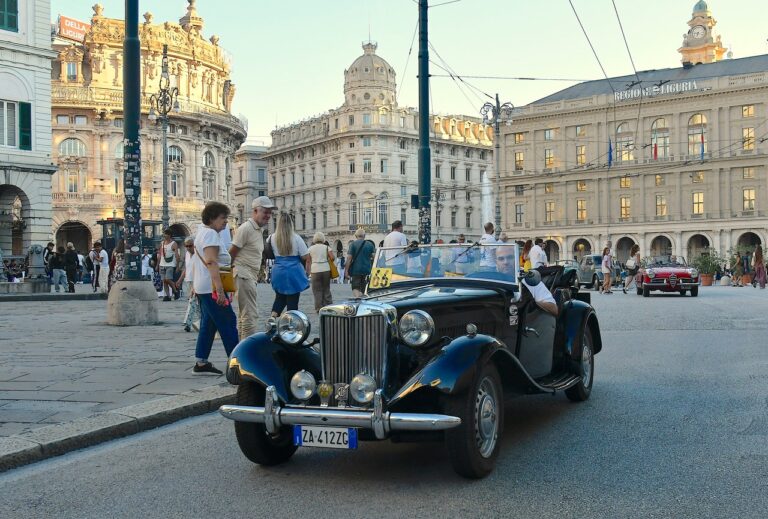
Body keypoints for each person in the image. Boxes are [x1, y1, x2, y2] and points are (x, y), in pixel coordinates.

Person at [192, 202, 239, 374]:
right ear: (211, 218)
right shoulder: (210, 234)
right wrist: (219, 291)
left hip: (203, 286)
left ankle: (201, 362)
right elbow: (211, 262)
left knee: (209, 324)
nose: (226, 221)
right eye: (222, 218)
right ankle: (237, 364)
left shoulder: (202, 233)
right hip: (211, 287)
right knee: (228, 322)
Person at [229, 195, 275, 339]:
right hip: (243, 274)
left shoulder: (257, 229)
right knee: (250, 315)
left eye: (270, 212)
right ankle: (246, 351)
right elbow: (231, 253)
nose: (268, 215)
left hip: (249, 275)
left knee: (245, 315)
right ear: (255, 211)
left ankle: (240, 347)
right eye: (265, 212)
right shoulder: (246, 228)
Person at [269, 212, 310, 316]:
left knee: (279, 297)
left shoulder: (271, 238)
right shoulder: (296, 238)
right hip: (294, 271)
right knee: (293, 300)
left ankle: (272, 319)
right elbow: (306, 256)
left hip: (278, 270)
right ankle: (290, 324)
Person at [175, 237, 200, 332]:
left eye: (190, 246)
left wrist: (195, 285)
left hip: (197, 281)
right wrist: (180, 280)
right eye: (187, 246)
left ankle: (188, 322)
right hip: (188, 280)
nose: (189, 248)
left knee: (192, 300)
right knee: (196, 303)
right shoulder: (187, 255)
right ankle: (203, 321)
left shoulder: (198, 255)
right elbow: (186, 268)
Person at [307, 231, 334, 312]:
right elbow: (332, 258)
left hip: (315, 270)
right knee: (326, 288)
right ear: (323, 239)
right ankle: (328, 305)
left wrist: (308, 271)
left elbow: (308, 261)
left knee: (317, 290)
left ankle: (319, 308)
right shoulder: (327, 247)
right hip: (325, 269)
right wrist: (327, 259)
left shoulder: (310, 249)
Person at [346, 228, 376, 298]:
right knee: (364, 287)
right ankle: (361, 297)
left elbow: (349, 258)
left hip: (356, 270)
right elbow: (375, 257)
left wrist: (346, 271)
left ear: (356, 236)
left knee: (355, 287)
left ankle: (358, 298)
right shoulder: (370, 244)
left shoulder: (353, 244)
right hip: (367, 269)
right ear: (364, 236)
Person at [157, 230, 180, 301]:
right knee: (164, 280)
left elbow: (177, 255)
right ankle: (167, 296)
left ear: (170, 235)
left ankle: (175, 290)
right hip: (162, 264)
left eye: (166, 234)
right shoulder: (162, 243)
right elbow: (160, 254)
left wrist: (177, 266)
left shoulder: (174, 243)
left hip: (170, 264)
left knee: (168, 279)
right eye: (164, 234)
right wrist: (157, 265)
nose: (164, 236)